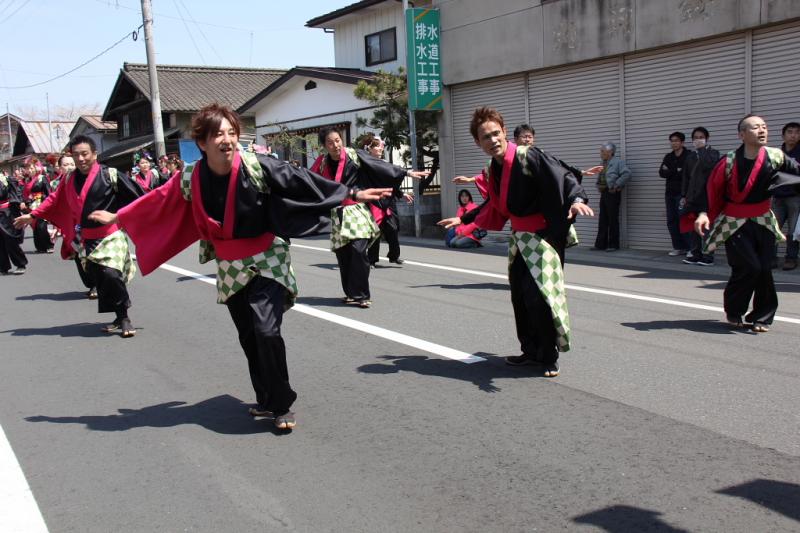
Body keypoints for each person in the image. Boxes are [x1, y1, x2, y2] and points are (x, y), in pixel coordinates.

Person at [89, 104, 392, 430]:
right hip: (230, 264)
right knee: (248, 334)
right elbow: (158, 198)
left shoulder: (256, 164)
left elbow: (301, 181)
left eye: (232, 133)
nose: (228, 139)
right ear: (202, 142)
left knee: (266, 329)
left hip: (267, 257)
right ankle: (264, 398)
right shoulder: (191, 175)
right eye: (218, 134)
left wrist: (352, 193)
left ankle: (281, 404)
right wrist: (119, 216)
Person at [438, 107, 593, 377]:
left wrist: (577, 200)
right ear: (478, 142)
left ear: (505, 131)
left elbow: (564, 177)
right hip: (520, 239)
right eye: (485, 137)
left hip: (543, 237)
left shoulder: (527, 156)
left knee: (540, 297)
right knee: (520, 297)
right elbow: (494, 206)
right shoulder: (492, 168)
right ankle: (531, 352)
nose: (493, 140)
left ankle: (548, 357)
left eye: (496, 133)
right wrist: (463, 220)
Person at [14, 135, 144, 337]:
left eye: (85, 154)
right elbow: (53, 201)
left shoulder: (110, 174)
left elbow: (140, 199)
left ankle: (125, 316)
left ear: (94, 154)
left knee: (111, 274)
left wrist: (119, 216)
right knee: (99, 277)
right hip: (85, 238)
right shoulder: (68, 179)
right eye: (76, 155)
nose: (81, 158)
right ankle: (118, 315)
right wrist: (32, 215)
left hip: (110, 235)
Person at [692, 115, 800, 332]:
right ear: (742, 135)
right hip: (735, 221)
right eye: (755, 128)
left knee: (764, 268)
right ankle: (734, 309)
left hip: (764, 220)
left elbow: (797, 173)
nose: (762, 131)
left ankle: (762, 316)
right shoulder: (729, 161)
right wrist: (703, 213)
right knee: (749, 266)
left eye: (764, 127)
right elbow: (710, 189)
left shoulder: (776, 156)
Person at [311, 127, 424, 308]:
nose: (335, 145)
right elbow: (310, 180)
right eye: (330, 142)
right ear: (324, 145)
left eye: (338, 140)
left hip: (356, 210)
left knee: (358, 250)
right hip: (337, 214)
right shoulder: (322, 162)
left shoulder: (354, 155)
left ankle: (362, 294)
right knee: (344, 255)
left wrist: (406, 173)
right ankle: (351, 293)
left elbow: (380, 166)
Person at [362, 135, 416, 266]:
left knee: (393, 228)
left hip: (388, 201)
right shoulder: (365, 166)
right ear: (369, 149)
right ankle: (372, 259)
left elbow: (391, 183)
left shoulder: (385, 164)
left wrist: (401, 194)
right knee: (376, 230)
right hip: (374, 201)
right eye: (376, 146)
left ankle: (394, 255)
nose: (380, 148)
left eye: (380, 146)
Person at [681, 127, 721, 266]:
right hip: (692, 196)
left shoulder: (713, 153)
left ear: (706, 138)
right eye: (695, 137)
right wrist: (684, 194)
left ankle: (708, 255)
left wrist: (702, 151)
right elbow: (685, 176)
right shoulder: (690, 156)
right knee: (693, 227)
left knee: (707, 227)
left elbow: (709, 167)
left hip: (707, 195)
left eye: (701, 137)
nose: (698, 140)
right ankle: (695, 253)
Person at [772, 122, 800, 270]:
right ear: (783, 135)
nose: (793, 135)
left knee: (793, 231)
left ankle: (791, 259)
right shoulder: (777, 153)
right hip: (777, 197)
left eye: (796, 132)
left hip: (795, 197)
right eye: (790, 132)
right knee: (773, 228)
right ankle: (771, 258)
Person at [592, 142, 631, 251]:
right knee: (603, 218)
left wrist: (617, 185)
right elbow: (601, 176)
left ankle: (613, 245)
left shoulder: (618, 162)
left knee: (612, 219)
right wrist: (598, 185)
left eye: (603, 151)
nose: (601, 153)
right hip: (604, 193)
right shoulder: (603, 162)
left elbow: (627, 174)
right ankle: (600, 244)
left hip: (612, 193)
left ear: (610, 152)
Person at [659, 132, 690, 256]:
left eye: (676, 140)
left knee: (684, 219)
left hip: (683, 193)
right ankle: (678, 247)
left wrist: (671, 171)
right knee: (672, 220)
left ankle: (690, 248)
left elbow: (687, 174)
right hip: (670, 193)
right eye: (672, 141)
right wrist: (676, 170)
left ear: (682, 142)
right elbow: (661, 172)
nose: (674, 143)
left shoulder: (689, 155)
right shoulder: (668, 156)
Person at [21, 156, 53, 253]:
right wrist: (25, 203)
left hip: (41, 203)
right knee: (34, 226)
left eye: (31, 168)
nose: (30, 170)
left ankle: (48, 245)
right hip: (31, 205)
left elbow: (48, 192)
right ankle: (39, 247)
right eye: (28, 168)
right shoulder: (27, 180)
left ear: (36, 167)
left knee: (41, 225)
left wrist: (47, 203)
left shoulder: (42, 178)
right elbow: (25, 194)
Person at [0, 169, 28, 274]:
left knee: (10, 239)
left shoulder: (6, 179)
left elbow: (16, 193)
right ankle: (3, 266)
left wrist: (20, 202)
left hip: (6, 213)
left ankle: (20, 263)